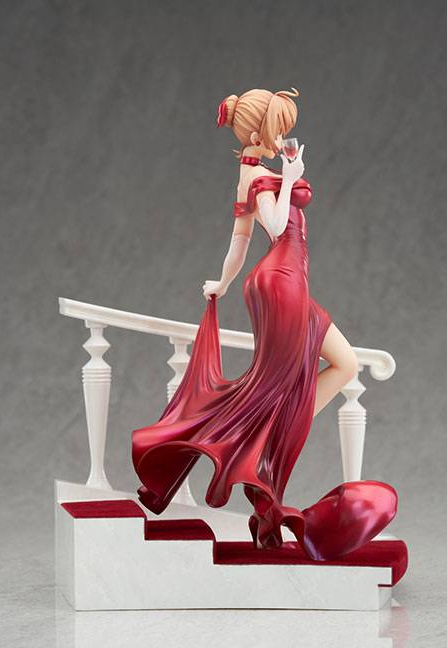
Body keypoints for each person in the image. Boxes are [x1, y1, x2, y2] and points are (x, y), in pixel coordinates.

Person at [131, 88, 397, 561]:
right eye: (279, 128)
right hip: (282, 283)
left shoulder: (249, 172)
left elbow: (239, 241)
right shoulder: (258, 174)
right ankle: (267, 449)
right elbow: (274, 227)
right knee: (280, 386)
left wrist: (222, 283)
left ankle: (271, 438)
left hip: (282, 283)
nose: (283, 138)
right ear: (258, 131)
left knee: (338, 366)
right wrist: (290, 179)